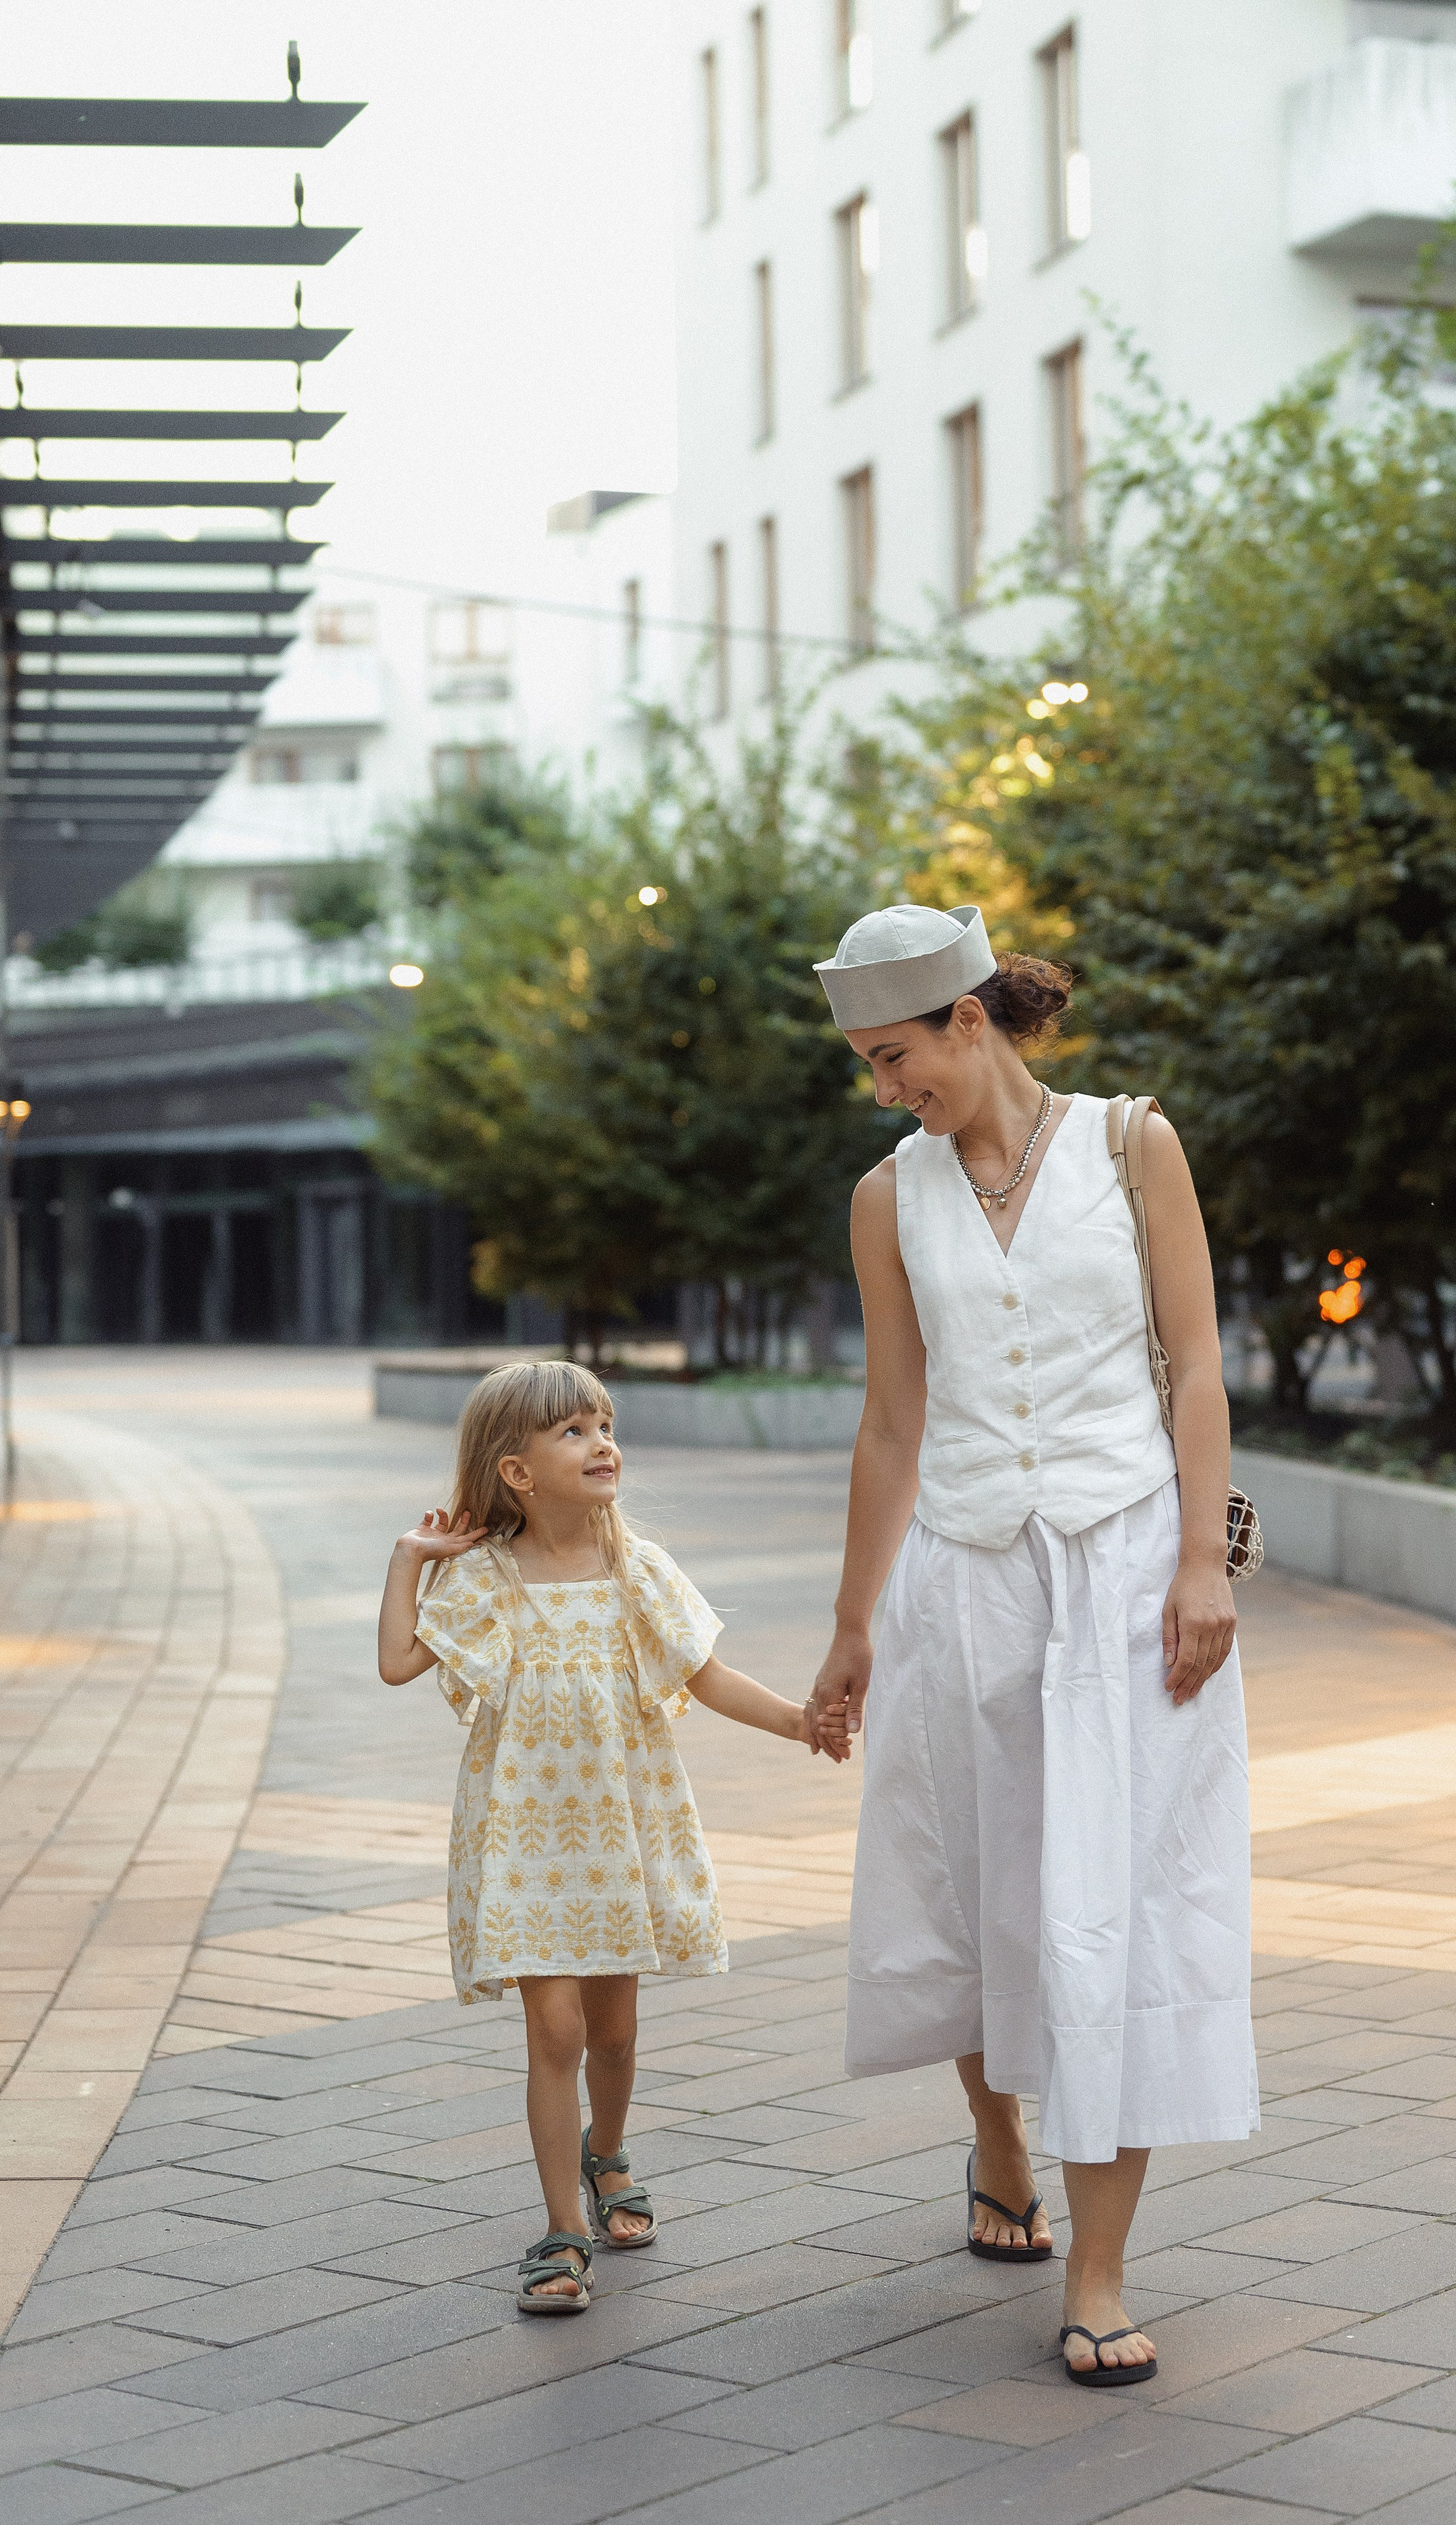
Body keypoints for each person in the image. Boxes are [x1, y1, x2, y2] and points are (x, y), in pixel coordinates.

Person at [806, 903, 1258, 2387]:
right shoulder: (889, 1197)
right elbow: (891, 1418)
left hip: (1128, 1570)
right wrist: (850, 1623)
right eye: (867, 1066)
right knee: (982, 1883)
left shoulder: (1135, 1147)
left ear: (968, 1020)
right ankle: (997, 2136)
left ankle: (1101, 2265)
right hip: (967, 1579)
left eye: (895, 1056)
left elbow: (1194, 1365)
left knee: (1116, 1899)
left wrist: (1201, 1559)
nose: (885, 1088)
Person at [378, 1360, 847, 2314]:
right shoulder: (486, 1579)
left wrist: (802, 1720)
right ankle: (560, 2227)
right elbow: (395, 1664)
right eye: (575, 1432)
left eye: (605, 1425)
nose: (604, 1445)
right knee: (552, 2030)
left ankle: (608, 2151)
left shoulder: (637, 1570)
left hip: (619, 1830)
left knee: (615, 2033)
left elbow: (707, 1676)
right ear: (516, 1471)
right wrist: (408, 1560)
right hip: (525, 1840)